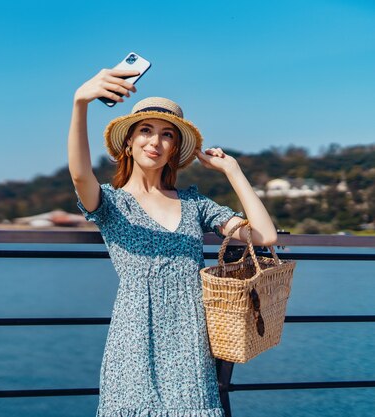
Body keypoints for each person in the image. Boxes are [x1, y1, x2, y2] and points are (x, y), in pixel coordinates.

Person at [67, 68, 278, 417]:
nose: (155, 141)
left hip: (190, 337)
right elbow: (78, 174)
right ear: (129, 144)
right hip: (134, 338)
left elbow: (264, 236)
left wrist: (233, 172)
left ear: (174, 148)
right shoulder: (110, 204)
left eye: (167, 135)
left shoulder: (196, 204)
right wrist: (81, 103)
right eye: (145, 131)